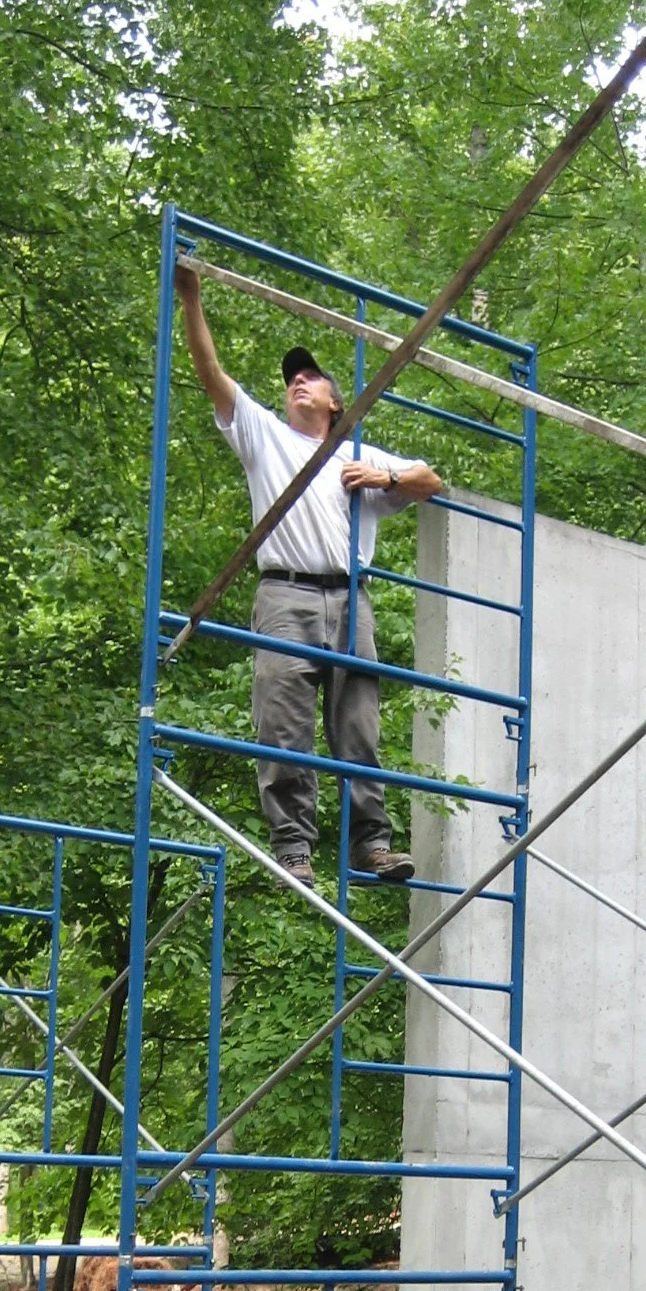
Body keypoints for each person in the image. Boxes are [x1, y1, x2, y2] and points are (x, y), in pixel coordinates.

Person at [175, 265, 443, 887]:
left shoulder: (359, 455)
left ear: (335, 400)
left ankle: (370, 843)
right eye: (290, 379)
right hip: (284, 594)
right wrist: (193, 301)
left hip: (352, 600)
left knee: (359, 727)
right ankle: (293, 848)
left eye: (310, 377)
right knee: (283, 723)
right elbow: (211, 376)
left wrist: (387, 480)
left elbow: (431, 480)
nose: (297, 382)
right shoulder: (265, 437)